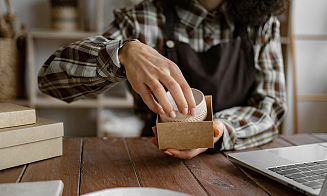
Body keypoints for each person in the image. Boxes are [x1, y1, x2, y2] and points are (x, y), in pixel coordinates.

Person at [38, 0, 288, 159]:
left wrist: (215, 132)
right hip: (154, 159)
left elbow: (271, 108)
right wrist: (123, 53)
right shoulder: (142, 18)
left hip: (237, 162)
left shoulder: (262, 25)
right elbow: (50, 81)